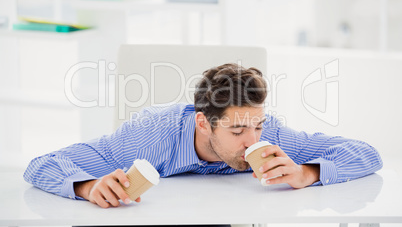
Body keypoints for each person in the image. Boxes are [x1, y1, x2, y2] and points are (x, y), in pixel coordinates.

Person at [24, 63, 383, 209]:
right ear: (202, 123)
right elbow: (42, 165)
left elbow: (365, 153)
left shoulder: (269, 134)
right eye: (238, 130)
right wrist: (88, 187)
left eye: (257, 126)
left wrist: (309, 173)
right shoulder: (149, 137)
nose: (251, 141)